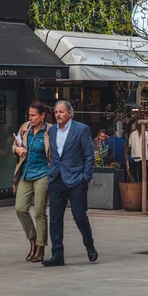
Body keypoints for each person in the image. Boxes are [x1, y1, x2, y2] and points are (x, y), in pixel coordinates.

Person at [42, 100, 97, 267]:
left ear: (70, 113)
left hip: (76, 179)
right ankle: (57, 254)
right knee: (55, 219)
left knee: (79, 216)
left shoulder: (81, 129)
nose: (58, 114)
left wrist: (85, 178)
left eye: (61, 112)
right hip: (57, 179)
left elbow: (89, 155)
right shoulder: (51, 131)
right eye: (56, 112)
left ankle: (89, 244)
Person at [13, 101, 51, 263]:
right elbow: (15, 145)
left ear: (42, 116)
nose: (31, 118)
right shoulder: (25, 128)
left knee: (39, 212)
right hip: (25, 173)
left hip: (43, 173)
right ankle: (33, 240)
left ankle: (41, 247)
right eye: (29, 115)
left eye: (34, 115)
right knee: (20, 208)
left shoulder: (50, 131)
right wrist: (18, 149)